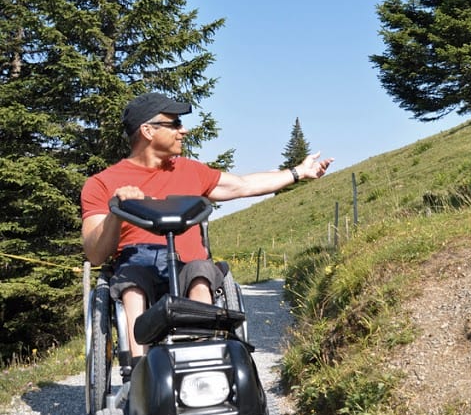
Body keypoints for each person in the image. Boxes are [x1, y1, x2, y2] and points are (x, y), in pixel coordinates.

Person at [81, 92, 334, 358]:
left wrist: (298, 172)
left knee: (201, 273)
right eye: (175, 124)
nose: (184, 130)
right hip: (137, 265)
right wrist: (116, 212)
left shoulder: (191, 171)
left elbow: (243, 185)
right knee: (132, 284)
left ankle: (203, 356)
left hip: (187, 264)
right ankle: (138, 369)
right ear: (148, 130)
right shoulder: (102, 183)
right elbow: (96, 253)